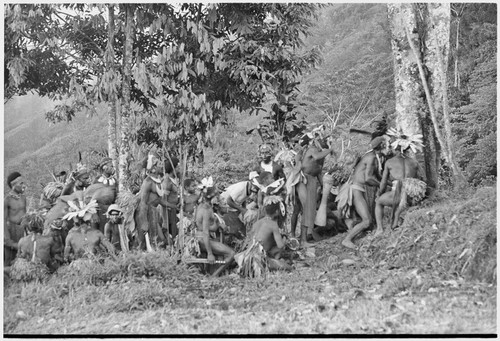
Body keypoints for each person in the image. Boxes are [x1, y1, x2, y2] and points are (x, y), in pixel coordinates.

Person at [336, 136, 389, 249]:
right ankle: (347, 240)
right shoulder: (371, 158)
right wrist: (381, 185)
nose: (389, 147)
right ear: (382, 146)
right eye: (387, 145)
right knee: (367, 221)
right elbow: (368, 178)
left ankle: (357, 234)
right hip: (356, 190)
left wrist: (389, 182)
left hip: (359, 189)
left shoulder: (376, 157)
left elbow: (378, 176)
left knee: (368, 220)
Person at [374, 129, 426, 236]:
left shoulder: (389, 162)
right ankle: (401, 216)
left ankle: (379, 229)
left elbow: (383, 183)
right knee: (402, 200)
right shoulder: (414, 162)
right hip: (412, 196)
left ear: (395, 147)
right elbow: (423, 179)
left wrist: (380, 193)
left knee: (379, 202)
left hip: (396, 196)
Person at [295, 128, 336, 247]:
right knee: (307, 208)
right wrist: (330, 149)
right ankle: (302, 240)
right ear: (317, 140)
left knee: (310, 209)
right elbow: (317, 157)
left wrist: (323, 186)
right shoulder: (312, 149)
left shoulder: (320, 153)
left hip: (312, 180)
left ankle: (305, 237)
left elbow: (318, 171)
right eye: (325, 140)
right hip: (304, 179)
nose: (327, 142)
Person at [195, 177, 235, 277]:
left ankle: (212, 273)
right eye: (217, 194)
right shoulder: (206, 210)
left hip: (201, 238)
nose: (219, 197)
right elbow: (205, 232)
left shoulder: (203, 205)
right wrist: (209, 253)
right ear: (211, 196)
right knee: (231, 253)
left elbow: (207, 227)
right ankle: (214, 277)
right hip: (202, 239)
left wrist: (217, 224)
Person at [135, 156, 176, 250]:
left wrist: (173, 206)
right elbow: (143, 203)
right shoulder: (147, 182)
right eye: (159, 165)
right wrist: (144, 222)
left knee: (156, 239)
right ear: (153, 168)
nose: (162, 167)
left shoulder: (158, 181)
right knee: (143, 241)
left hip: (154, 212)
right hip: (145, 213)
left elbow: (159, 200)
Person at [219, 173, 261, 239]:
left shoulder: (249, 188)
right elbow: (229, 201)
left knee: (242, 225)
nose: (257, 190)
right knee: (236, 228)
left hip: (233, 206)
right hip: (226, 206)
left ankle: (243, 238)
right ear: (253, 184)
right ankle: (238, 240)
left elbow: (243, 198)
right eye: (256, 188)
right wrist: (242, 209)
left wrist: (243, 209)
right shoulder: (241, 188)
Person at [4, 172, 27, 267]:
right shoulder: (7, 200)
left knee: (21, 258)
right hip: (11, 231)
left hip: (21, 231)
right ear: (13, 185)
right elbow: (3, 221)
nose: (24, 186)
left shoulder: (23, 197)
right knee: (9, 260)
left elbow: (25, 216)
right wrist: (7, 240)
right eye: (21, 183)